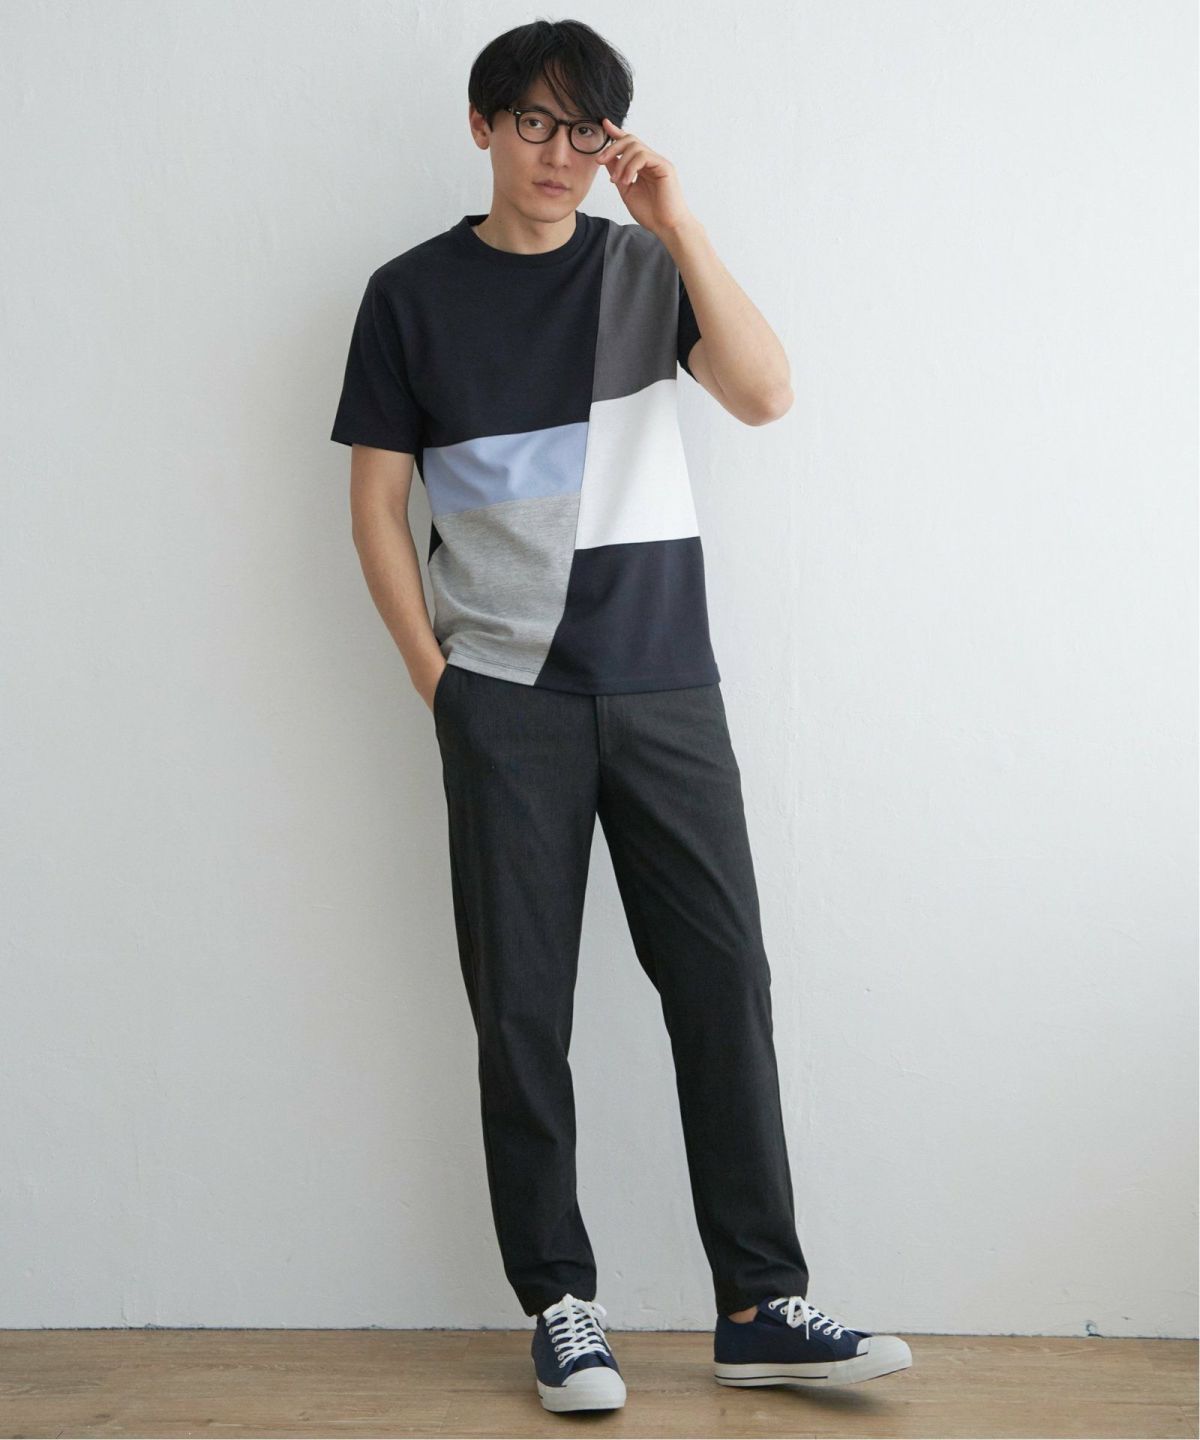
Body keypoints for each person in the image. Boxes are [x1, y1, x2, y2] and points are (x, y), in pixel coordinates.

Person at [330, 17, 913, 1415]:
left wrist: (678, 219)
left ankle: (759, 1305)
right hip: (506, 699)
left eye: (585, 128)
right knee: (521, 1005)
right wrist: (438, 682)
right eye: (533, 122)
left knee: (723, 983)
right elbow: (376, 505)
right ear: (483, 127)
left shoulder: (644, 270)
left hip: (665, 688)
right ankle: (562, 1305)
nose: (560, 153)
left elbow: (766, 394)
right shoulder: (409, 295)